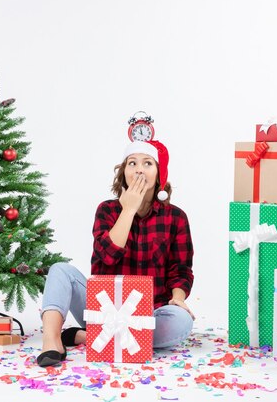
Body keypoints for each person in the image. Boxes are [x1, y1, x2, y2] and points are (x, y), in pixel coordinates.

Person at [36, 139, 195, 367]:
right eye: (132, 163)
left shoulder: (176, 217)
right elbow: (108, 256)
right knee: (60, 270)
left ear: (160, 174)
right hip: (102, 311)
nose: (139, 169)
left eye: (148, 163)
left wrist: (178, 299)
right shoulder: (106, 210)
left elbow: (180, 269)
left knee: (181, 321)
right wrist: (128, 209)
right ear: (123, 173)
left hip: (149, 315)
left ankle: (86, 337)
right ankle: (52, 342)